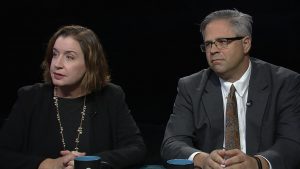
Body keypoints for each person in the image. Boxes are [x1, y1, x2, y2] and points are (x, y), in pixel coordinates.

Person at [161, 9, 300, 169]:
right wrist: (203, 160)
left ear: (246, 43)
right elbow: (172, 144)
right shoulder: (190, 87)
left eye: (222, 41)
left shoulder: (285, 83)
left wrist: (256, 164)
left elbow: (292, 143)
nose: (213, 50)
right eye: (208, 44)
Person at [0, 25, 146, 169]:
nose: (57, 64)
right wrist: (45, 164)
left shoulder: (111, 96)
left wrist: (90, 162)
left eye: (69, 57)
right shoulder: (31, 97)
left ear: (90, 64)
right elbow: (4, 153)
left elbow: (136, 149)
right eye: (55, 54)